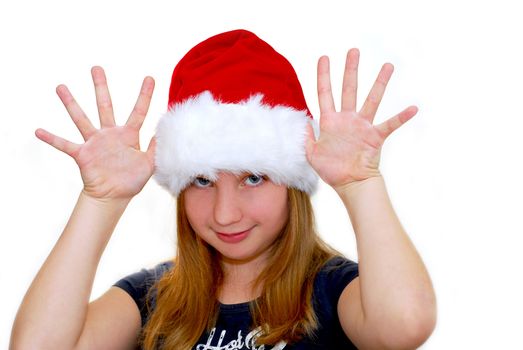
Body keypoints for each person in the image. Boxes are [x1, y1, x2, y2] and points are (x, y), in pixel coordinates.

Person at [10, 29, 436, 349]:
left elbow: (405, 325)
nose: (224, 214)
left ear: (292, 182)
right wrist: (101, 202)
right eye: (202, 180)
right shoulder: (150, 300)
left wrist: (361, 185)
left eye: (253, 177)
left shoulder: (334, 290)